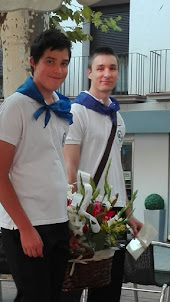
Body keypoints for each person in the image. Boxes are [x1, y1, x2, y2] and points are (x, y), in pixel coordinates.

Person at [61, 47, 143, 302]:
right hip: (87, 211)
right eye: (100, 68)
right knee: (72, 285)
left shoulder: (118, 118)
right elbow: (69, 169)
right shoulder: (77, 111)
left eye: (112, 68)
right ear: (89, 73)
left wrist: (129, 214)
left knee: (108, 288)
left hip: (115, 213)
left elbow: (115, 169)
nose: (107, 73)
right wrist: (72, 216)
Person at [0, 28, 73, 302]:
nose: (58, 70)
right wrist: (26, 229)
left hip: (57, 222)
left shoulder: (61, 108)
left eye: (64, 63)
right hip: (27, 226)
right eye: (50, 61)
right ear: (34, 62)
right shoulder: (16, 106)